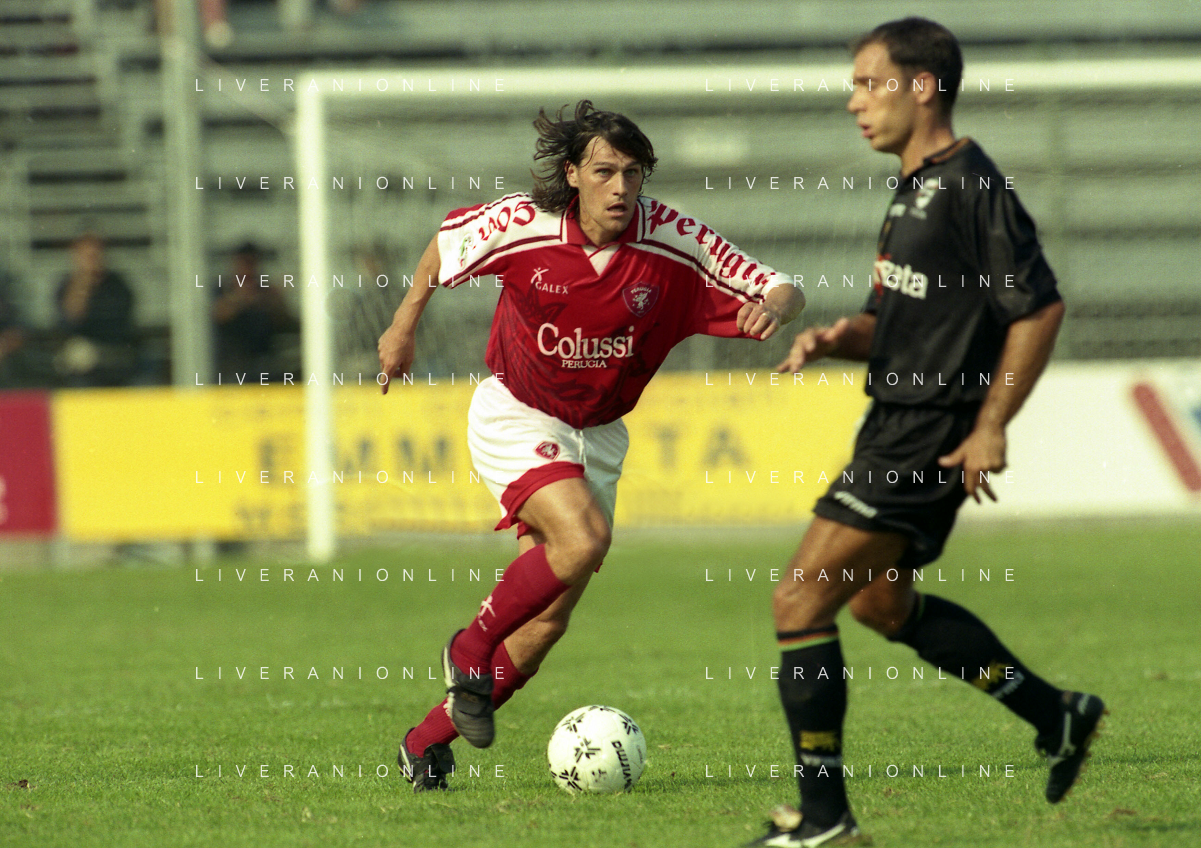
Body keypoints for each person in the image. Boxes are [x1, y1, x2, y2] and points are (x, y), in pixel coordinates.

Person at [377, 100, 805, 791]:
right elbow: (443, 245)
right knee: (583, 540)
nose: (619, 187)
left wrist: (774, 309)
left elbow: (783, 286)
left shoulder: (672, 239)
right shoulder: (523, 223)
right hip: (518, 414)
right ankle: (468, 647)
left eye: (632, 173)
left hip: (600, 436)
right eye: (604, 171)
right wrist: (402, 328)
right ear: (573, 174)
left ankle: (424, 744)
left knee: (547, 623)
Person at [748, 18, 1104, 847]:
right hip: (894, 421)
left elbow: (1038, 308)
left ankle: (826, 820)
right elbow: (891, 320)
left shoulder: (971, 186)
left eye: (868, 83)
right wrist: (838, 338)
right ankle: (1054, 713)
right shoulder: (913, 189)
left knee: (798, 598)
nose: (853, 102)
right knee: (879, 603)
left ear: (921, 86)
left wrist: (990, 425)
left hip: (926, 431)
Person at [55, 231, 139, 387]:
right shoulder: (67, 285)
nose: (91, 259)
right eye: (86, 255)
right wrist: (84, 281)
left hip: (113, 349)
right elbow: (71, 319)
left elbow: (117, 324)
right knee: (78, 355)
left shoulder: (117, 285)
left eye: (94, 254)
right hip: (82, 352)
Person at [212, 240, 299, 380]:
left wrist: (274, 301)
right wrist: (241, 299)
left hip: (263, 364)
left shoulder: (266, 291)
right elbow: (218, 314)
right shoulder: (222, 289)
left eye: (252, 263)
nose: (248, 269)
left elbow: (284, 322)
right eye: (245, 263)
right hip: (231, 366)